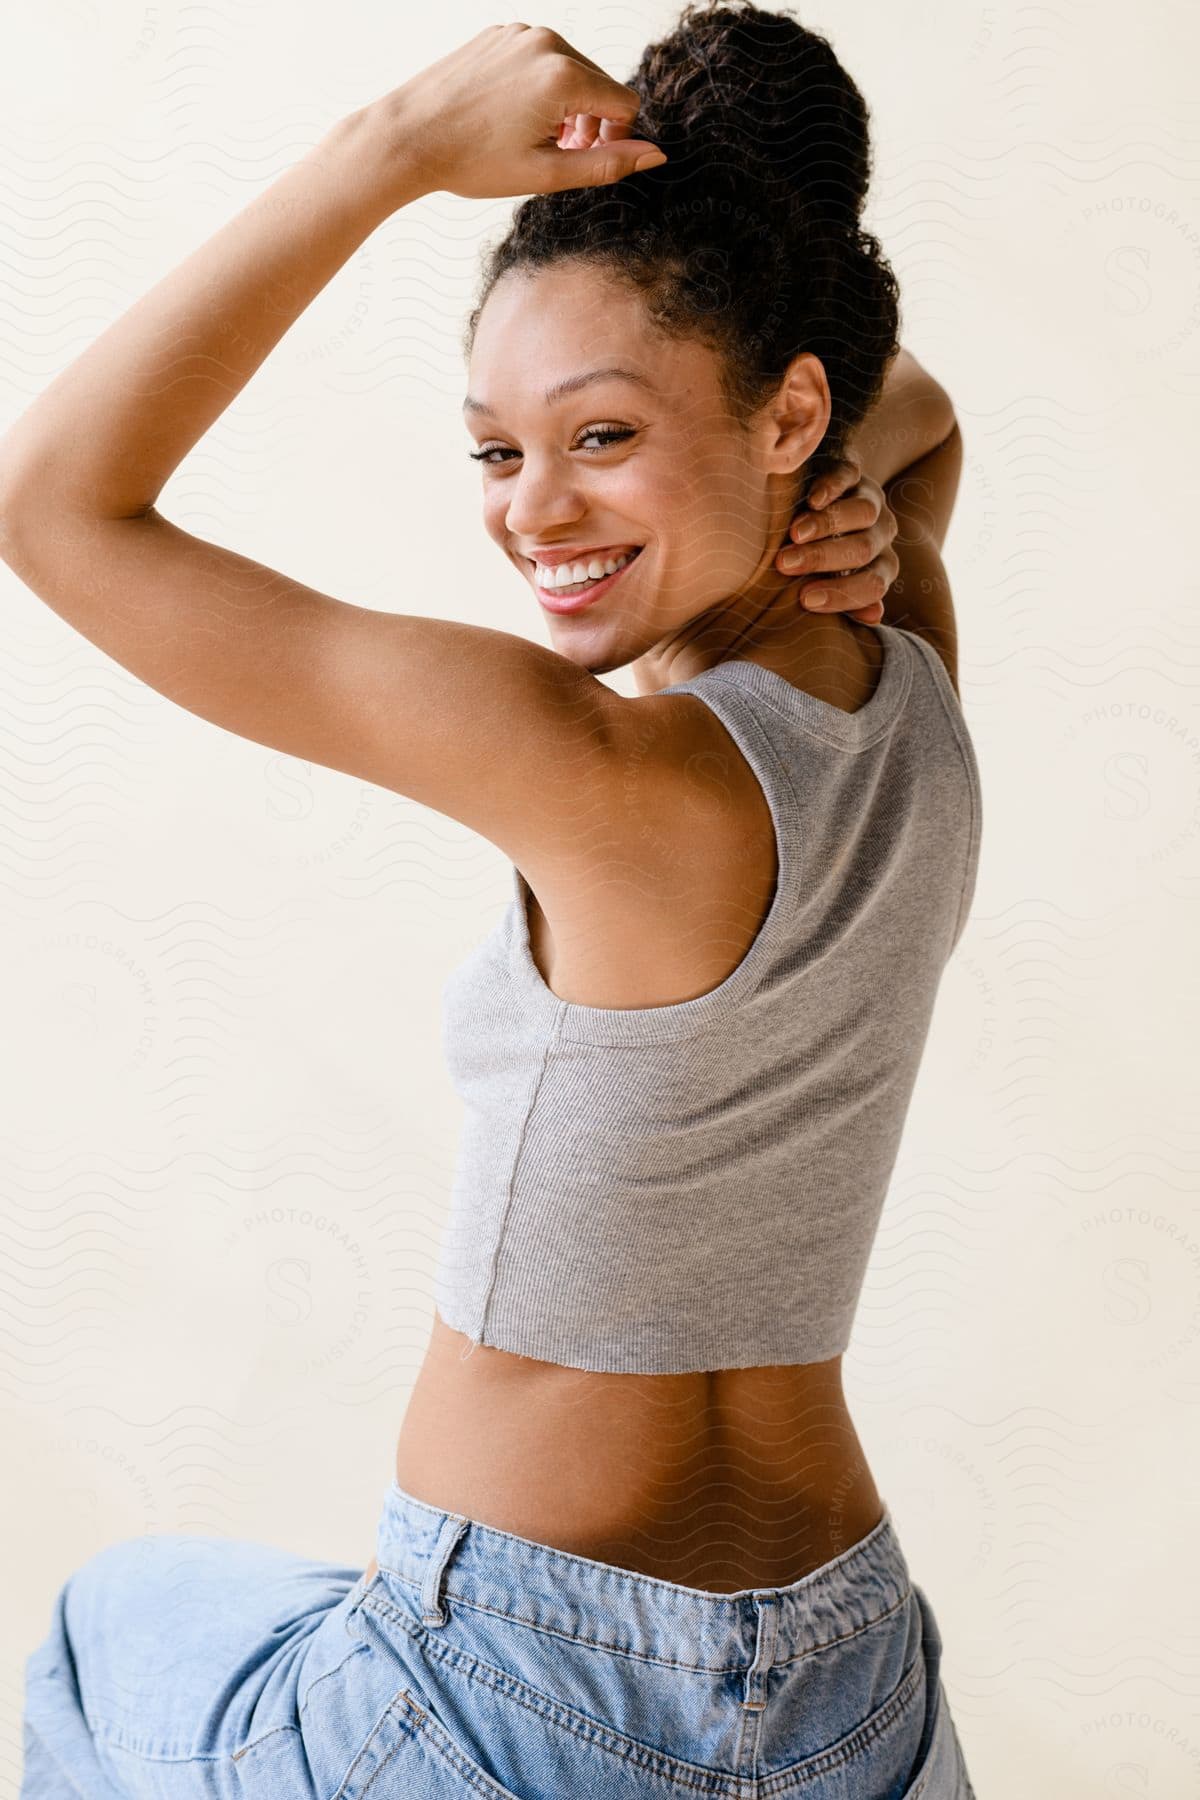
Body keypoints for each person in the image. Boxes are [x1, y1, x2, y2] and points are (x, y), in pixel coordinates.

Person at [9, 6, 980, 1796]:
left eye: (600, 434)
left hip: (515, 1686)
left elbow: (54, 501)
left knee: (101, 1629)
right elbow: (917, 419)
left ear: (783, 410)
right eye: (493, 450)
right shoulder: (912, 666)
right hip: (852, 1683)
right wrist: (851, 500)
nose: (536, 511)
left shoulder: (597, 770)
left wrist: (390, 144)